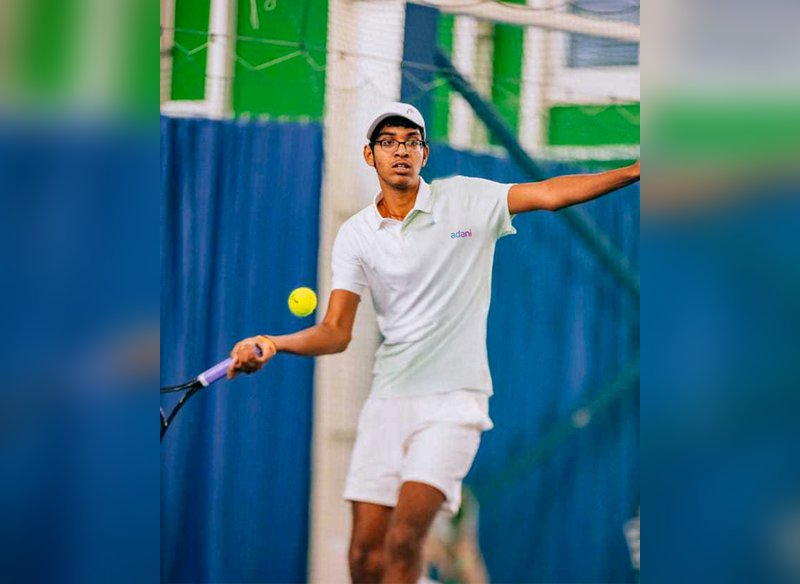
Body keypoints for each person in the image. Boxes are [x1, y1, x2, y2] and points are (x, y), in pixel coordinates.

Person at [227, 102, 640, 583]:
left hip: (454, 403)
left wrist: (635, 170)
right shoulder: (356, 235)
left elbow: (549, 194)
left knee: (405, 540)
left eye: (411, 141)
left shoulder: (466, 199)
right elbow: (335, 332)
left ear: (424, 154)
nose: (400, 150)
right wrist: (274, 343)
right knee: (363, 555)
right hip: (387, 401)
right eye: (388, 142)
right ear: (369, 155)